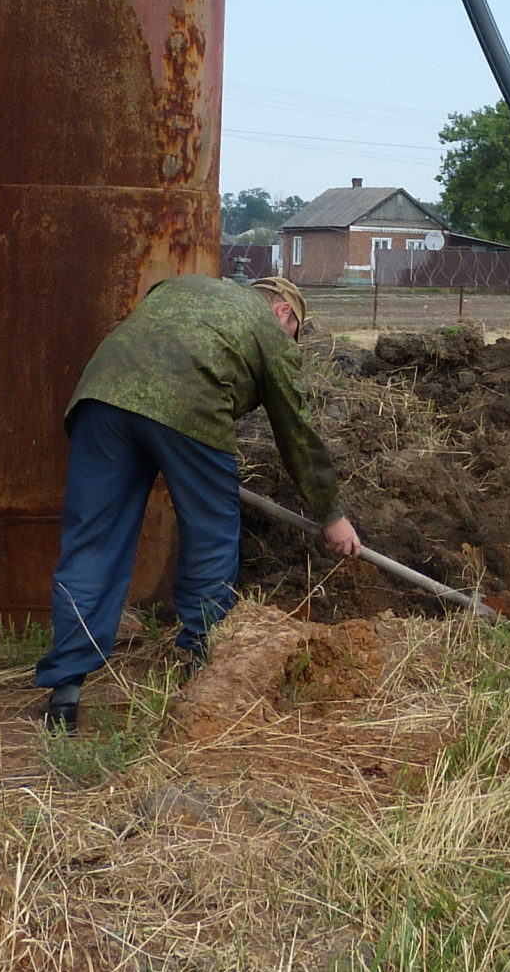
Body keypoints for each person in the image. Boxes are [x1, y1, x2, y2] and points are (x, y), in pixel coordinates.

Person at [33, 274, 361, 731]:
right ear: (283, 311)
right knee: (211, 537)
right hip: (189, 407)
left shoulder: (182, 287)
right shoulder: (270, 331)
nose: (292, 342)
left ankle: (65, 693)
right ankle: (204, 672)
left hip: (103, 399)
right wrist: (331, 515)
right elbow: (297, 434)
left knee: (93, 543)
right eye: (295, 333)